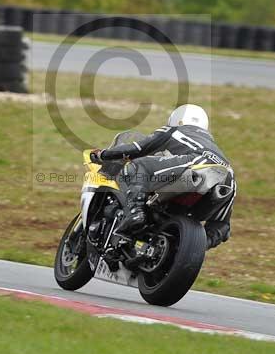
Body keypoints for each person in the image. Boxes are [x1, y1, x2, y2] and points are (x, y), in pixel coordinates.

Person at [90, 104, 235, 250]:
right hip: (228, 175)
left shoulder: (173, 130)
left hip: (197, 163)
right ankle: (184, 247)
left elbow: (137, 148)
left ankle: (136, 213)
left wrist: (103, 154)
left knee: (137, 166)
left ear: (176, 119)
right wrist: (195, 248)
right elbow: (223, 227)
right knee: (221, 223)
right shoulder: (209, 143)